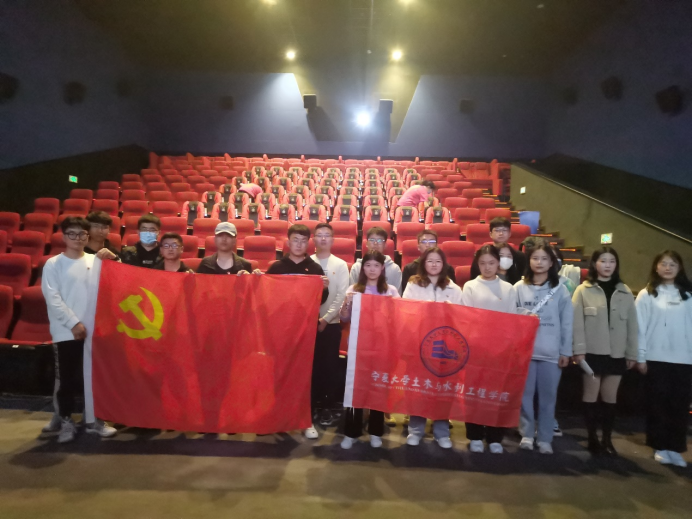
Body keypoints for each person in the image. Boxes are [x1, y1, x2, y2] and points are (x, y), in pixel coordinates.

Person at [41, 217, 117, 443]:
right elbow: (52, 298)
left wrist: (115, 260)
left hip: (95, 332)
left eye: (82, 234)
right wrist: (73, 323)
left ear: (87, 236)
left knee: (96, 379)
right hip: (67, 331)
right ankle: (66, 421)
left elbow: (115, 284)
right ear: (64, 237)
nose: (77, 238)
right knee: (67, 380)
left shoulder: (97, 260)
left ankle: (95, 421)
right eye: (72, 234)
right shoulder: (54, 264)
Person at [572, 247, 638, 456]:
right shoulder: (583, 290)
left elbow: (632, 326)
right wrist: (578, 350)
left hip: (616, 354)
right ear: (594, 264)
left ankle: (607, 439)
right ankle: (592, 438)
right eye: (603, 261)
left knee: (610, 399)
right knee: (590, 396)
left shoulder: (625, 291)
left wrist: (632, 353)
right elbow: (576, 324)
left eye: (612, 261)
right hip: (591, 353)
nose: (607, 265)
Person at [267, 224, 330, 440]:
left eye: (303, 241)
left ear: (308, 244)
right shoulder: (276, 267)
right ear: (288, 242)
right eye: (295, 239)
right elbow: (266, 297)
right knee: (278, 374)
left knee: (305, 376)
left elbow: (320, 301)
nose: (299, 244)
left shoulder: (315, 269)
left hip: (305, 331)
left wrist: (324, 288)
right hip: (280, 330)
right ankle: (278, 419)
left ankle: (305, 421)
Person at [461, 245, 520, 454]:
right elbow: (466, 318)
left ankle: (495, 436)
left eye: (492, 263)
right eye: (483, 263)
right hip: (476, 348)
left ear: (498, 263)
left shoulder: (508, 288)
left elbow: (512, 319)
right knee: (474, 393)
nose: (487, 267)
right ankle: (475, 435)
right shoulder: (470, 286)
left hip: (500, 350)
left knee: (497, 393)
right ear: (477, 265)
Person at [515, 242, 573, 455]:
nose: (539, 263)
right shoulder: (518, 288)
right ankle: (527, 434)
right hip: (526, 352)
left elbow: (567, 323)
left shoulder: (561, 290)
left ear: (551, 263)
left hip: (551, 353)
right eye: (535, 258)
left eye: (544, 259)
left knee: (548, 398)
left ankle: (545, 437)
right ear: (529, 261)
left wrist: (565, 351)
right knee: (525, 396)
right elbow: (510, 316)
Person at [635, 250, 692, 468]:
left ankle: (675, 448)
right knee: (657, 404)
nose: (668, 268)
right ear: (656, 267)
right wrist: (641, 356)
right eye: (664, 264)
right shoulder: (647, 294)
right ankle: (659, 446)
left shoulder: (688, 295)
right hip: (655, 357)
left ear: (680, 268)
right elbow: (639, 328)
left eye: (673, 264)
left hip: (684, 359)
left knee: (679, 406)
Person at [403, 247, 464, 449]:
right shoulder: (413, 285)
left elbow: (462, 318)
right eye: (430, 261)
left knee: (442, 390)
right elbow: (405, 312)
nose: (434, 264)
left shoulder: (454, 289)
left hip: (444, 347)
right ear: (423, 263)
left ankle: (441, 432)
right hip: (419, 345)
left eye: (438, 261)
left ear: (444, 264)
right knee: (418, 389)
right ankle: (415, 430)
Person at [339, 251, 400, 449]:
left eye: (376, 265)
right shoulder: (354, 289)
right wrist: (347, 303)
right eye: (368, 265)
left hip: (382, 347)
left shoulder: (390, 291)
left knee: (378, 388)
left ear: (382, 268)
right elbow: (344, 318)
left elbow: (399, 318)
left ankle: (375, 431)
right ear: (362, 268)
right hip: (358, 346)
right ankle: (351, 432)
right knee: (354, 388)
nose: (372, 269)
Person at [310, 223, 350, 426]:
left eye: (327, 235)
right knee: (311, 367)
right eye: (319, 235)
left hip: (331, 324)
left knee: (329, 366)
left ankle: (327, 405)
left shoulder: (340, 265)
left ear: (333, 240)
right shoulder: (308, 262)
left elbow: (341, 296)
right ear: (313, 239)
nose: (323, 238)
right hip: (307, 325)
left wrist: (325, 319)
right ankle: (311, 405)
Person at [350, 227, 402, 294]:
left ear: (385, 245)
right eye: (372, 240)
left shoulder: (395, 269)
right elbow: (352, 294)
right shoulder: (357, 267)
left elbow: (397, 296)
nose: (375, 243)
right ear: (366, 244)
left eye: (380, 240)